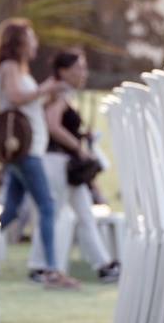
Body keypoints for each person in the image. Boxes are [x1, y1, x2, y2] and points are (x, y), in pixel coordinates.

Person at [0, 18, 79, 289]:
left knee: (12, 210)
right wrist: (45, 89)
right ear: (19, 42)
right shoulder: (10, 67)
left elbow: (29, 101)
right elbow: (16, 97)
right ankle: (52, 270)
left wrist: (49, 94)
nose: (35, 42)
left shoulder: (19, 69)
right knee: (47, 205)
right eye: (30, 37)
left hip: (29, 148)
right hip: (24, 150)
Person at [31, 49, 120, 283]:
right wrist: (78, 147)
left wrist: (81, 136)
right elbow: (52, 124)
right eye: (78, 68)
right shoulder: (57, 91)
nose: (83, 73)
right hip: (56, 162)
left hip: (67, 167)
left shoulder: (64, 92)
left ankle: (104, 265)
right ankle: (39, 266)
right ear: (63, 71)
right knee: (55, 213)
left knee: (85, 214)